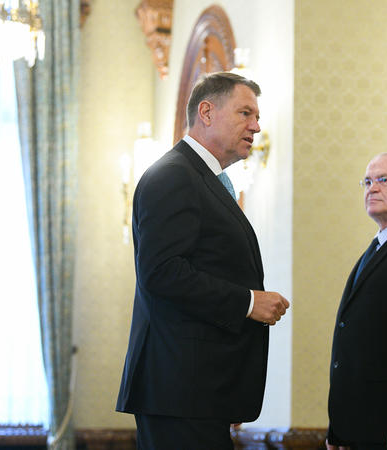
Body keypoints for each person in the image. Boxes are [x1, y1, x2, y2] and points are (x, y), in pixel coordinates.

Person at [116, 72, 290, 449]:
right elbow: (162, 273)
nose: (256, 127)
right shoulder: (173, 176)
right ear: (207, 112)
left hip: (200, 390)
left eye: (257, 117)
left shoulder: (202, 178)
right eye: (245, 113)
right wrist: (249, 302)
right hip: (179, 390)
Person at [326, 153, 387, 450]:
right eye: (367, 181)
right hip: (356, 424)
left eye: (383, 180)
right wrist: (338, 427)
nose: (372, 188)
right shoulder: (379, 245)